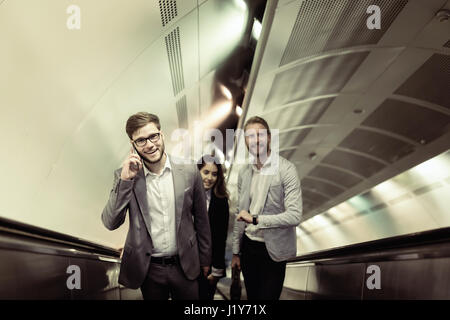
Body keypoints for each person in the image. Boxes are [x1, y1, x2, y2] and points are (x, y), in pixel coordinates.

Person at [101, 112, 211, 300]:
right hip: (149, 269)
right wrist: (125, 180)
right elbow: (110, 222)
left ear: (161, 134)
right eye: (141, 140)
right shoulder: (126, 175)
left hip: (185, 265)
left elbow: (201, 219)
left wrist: (205, 258)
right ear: (133, 145)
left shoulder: (189, 170)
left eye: (153, 136)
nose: (150, 145)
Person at [232, 116, 302, 300]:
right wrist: (235, 252)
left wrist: (256, 219)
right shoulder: (244, 172)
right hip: (249, 248)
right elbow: (240, 213)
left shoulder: (286, 169)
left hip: (274, 251)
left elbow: (295, 216)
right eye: (249, 136)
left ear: (269, 137)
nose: (255, 140)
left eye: (259, 135)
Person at [196, 155, 230, 300]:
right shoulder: (185, 195)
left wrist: (216, 270)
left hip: (207, 267)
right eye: (206, 172)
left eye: (214, 174)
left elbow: (220, 237)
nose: (210, 178)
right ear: (197, 172)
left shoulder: (221, 202)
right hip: (184, 264)